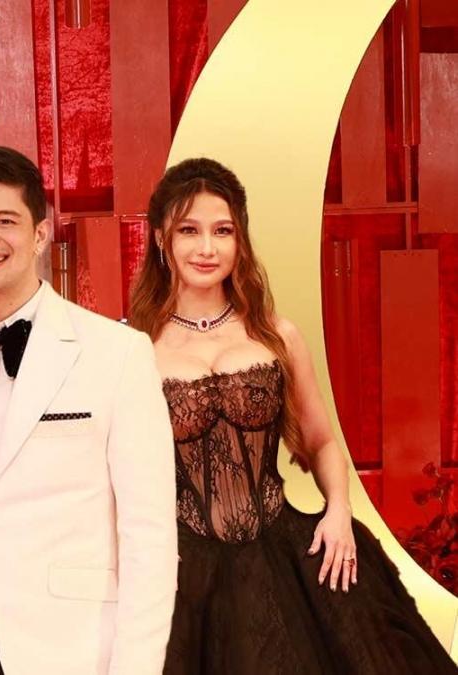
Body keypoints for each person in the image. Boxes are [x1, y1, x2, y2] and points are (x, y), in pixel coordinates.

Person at [129, 157, 457, 674]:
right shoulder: (132, 348)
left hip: (283, 555)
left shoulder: (275, 335)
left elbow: (321, 440)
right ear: (160, 239)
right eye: (189, 230)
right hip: (182, 570)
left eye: (222, 231)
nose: (207, 247)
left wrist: (339, 511)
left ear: (241, 241)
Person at [0, 145, 177, 675]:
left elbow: (150, 535)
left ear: (41, 233)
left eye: (5, 221)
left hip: (71, 646)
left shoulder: (117, 354)